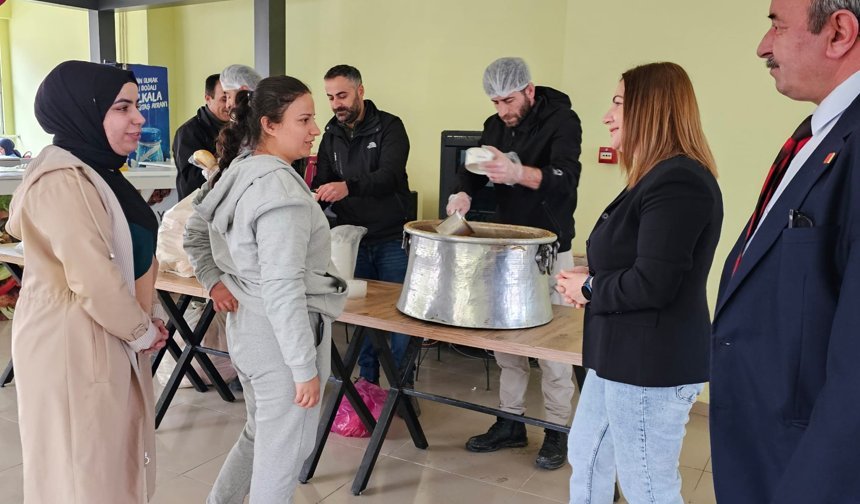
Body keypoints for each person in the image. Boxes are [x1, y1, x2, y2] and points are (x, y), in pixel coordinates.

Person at [710, 0, 860, 501]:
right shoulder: (814, 136)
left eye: (776, 25)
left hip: (804, 466)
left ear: (839, 32)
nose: (763, 46)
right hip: (764, 442)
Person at [555, 62, 722, 504]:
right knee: (587, 453)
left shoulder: (680, 181)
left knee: (646, 485)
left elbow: (655, 282)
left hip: (652, 365)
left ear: (651, 109)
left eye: (618, 103)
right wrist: (591, 277)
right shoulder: (651, 177)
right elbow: (641, 262)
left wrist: (589, 290)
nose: (608, 116)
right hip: (619, 357)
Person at [5, 60, 169, 503]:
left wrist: (144, 320)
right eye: (122, 107)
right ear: (82, 111)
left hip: (104, 334)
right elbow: (93, 277)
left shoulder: (102, 174)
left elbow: (127, 260)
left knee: (107, 463)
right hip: (70, 344)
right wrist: (140, 330)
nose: (139, 118)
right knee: (81, 472)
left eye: (136, 105)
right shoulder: (61, 181)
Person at [184, 75, 347, 504]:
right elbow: (282, 287)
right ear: (271, 125)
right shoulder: (281, 192)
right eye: (306, 119)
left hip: (248, 334)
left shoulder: (237, 170)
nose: (315, 129)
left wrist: (214, 280)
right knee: (283, 457)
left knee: (262, 438)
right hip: (279, 342)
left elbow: (194, 233)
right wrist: (303, 367)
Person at [447, 57, 581, 470]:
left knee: (554, 350)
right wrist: (462, 193)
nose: (502, 110)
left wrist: (518, 171)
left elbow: (565, 178)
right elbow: (470, 168)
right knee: (506, 344)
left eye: (507, 100)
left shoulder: (564, 120)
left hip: (548, 248)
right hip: (506, 249)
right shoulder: (494, 125)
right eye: (494, 101)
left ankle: (558, 431)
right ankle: (511, 421)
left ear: (529, 90)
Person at [311, 64, 415, 398]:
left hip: (389, 238)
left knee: (398, 319)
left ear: (360, 91)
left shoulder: (390, 127)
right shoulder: (330, 134)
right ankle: (368, 384)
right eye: (330, 97)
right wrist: (317, 193)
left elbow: (389, 175)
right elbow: (322, 179)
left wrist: (347, 188)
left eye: (342, 95)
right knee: (362, 318)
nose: (336, 103)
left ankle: (403, 389)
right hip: (350, 242)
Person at [173, 73, 229, 199]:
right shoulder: (188, 133)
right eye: (224, 99)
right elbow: (190, 183)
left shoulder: (237, 129)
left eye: (231, 98)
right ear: (208, 98)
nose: (229, 105)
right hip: (198, 210)